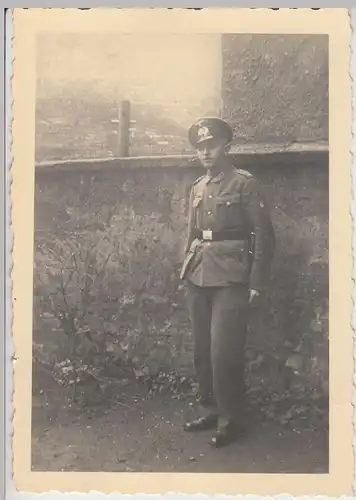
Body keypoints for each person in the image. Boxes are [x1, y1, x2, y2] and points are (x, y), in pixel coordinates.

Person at [180, 117, 275, 448]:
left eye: (212, 146)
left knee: (224, 352)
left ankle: (230, 418)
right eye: (200, 147)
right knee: (202, 351)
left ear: (226, 147)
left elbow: (263, 234)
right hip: (198, 273)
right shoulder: (197, 187)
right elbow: (191, 233)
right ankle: (210, 409)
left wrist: (256, 281)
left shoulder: (244, 184)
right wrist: (186, 269)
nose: (205, 153)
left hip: (232, 276)